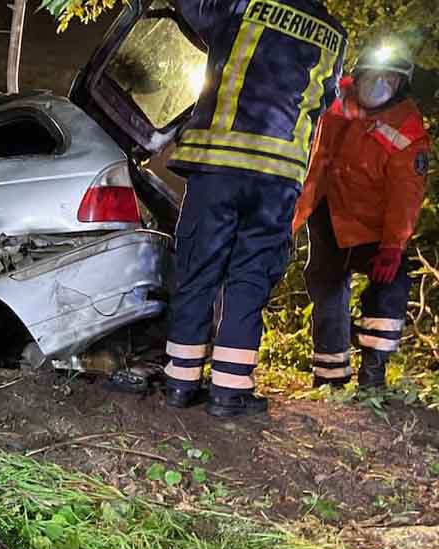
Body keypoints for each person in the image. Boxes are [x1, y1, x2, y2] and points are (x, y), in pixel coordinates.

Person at [162, 0, 347, 417]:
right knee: (249, 281)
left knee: (198, 271)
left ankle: (180, 384)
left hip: (219, 166)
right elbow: (326, 101)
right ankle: (230, 393)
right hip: (278, 179)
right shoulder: (334, 33)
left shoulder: (241, 4)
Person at [292, 43, 430, 389]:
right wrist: (290, 223)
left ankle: (373, 374)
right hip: (329, 214)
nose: (379, 85)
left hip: (376, 225)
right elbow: (315, 165)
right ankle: (329, 380)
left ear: (401, 85)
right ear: (358, 76)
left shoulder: (407, 128)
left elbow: (406, 194)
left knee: (391, 287)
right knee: (327, 289)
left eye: (390, 79)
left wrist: (393, 245)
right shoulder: (334, 101)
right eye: (373, 76)